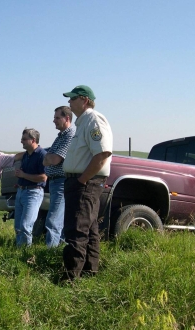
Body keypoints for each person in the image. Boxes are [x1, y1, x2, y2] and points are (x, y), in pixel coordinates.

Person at [61, 85, 113, 281]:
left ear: (84, 100)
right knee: (89, 229)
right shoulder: (82, 122)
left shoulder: (93, 119)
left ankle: (70, 278)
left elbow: (102, 154)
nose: (69, 102)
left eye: (72, 99)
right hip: (82, 181)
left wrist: (82, 180)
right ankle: (89, 274)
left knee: (76, 229)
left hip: (85, 182)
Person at [42, 106, 75, 248]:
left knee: (53, 220)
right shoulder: (61, 136)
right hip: (56, 182)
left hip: (61, 181)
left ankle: (50, 254)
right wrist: (48, 157)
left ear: (67, 118)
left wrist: (48, 158)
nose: (53, 120)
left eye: (57, 118)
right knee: (59, 220)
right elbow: (46, 159)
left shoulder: (70, 135)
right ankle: (59, 252)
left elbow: (54, 159)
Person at [14, 128, 47, 247]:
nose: (21, 141)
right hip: (21, 191)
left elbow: (43, 177)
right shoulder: (26, 155)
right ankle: (19, 251)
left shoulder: (42, 155)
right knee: (18, 226)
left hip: (33, 192)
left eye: (24, 139)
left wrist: (23, 175)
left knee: (25, 226)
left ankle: (25, 254)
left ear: (33, 140)